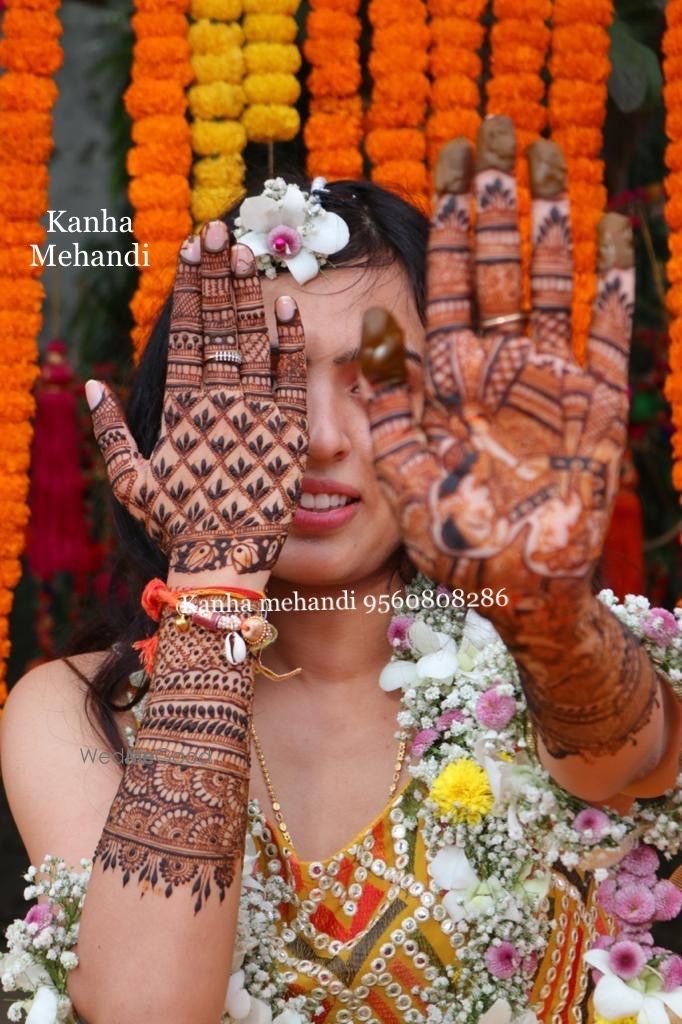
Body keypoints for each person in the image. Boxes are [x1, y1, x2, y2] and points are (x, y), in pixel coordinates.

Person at [1, 118, 680, 1024]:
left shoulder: (555, 664)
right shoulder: (77, 711)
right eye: (262, 384)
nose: (318, 437)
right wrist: (216, 578)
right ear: (181, 416)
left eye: (379, 379)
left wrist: (543, 604)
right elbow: (148, 1010)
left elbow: (620, 758)